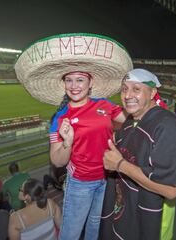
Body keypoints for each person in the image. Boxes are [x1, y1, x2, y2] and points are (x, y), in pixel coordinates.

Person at [14, 33, 133, 240]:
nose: (74, 85)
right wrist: (67, 142)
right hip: (81, 184)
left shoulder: (104, 105)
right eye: (68, 80)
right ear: (63, 84)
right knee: (71, 232)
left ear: (90, 82)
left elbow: (130, 120)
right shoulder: (60, 118)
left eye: (80, 79)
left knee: (96, 225)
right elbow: (57, 160)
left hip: (107, 178)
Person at [100, 68, 176, 240]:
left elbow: (170, 190)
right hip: (130, 211)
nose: (127, 95)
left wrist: (119, 164)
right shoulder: (131, 121)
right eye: (124, 89)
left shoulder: (168, 128)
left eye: (136, 89)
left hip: (153, 221)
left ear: (153, 92)